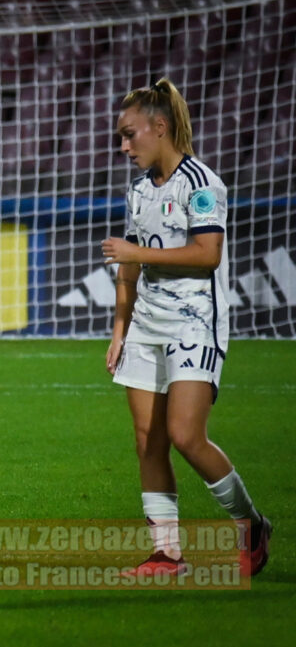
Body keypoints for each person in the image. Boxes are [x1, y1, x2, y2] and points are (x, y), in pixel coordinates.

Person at [102, 77, 271, 577]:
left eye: (131, 134)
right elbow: (128, 270)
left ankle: (250, 522)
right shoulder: (138, 191)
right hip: (147, 324)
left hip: (195, 322)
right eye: (121, 136)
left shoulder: (201, 183)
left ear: (160, 127)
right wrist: (119, 328)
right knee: (146, 439)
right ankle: (166, 554)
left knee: (185, 435)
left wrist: (136, 252)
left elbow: (207, 254)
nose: (124, 146)